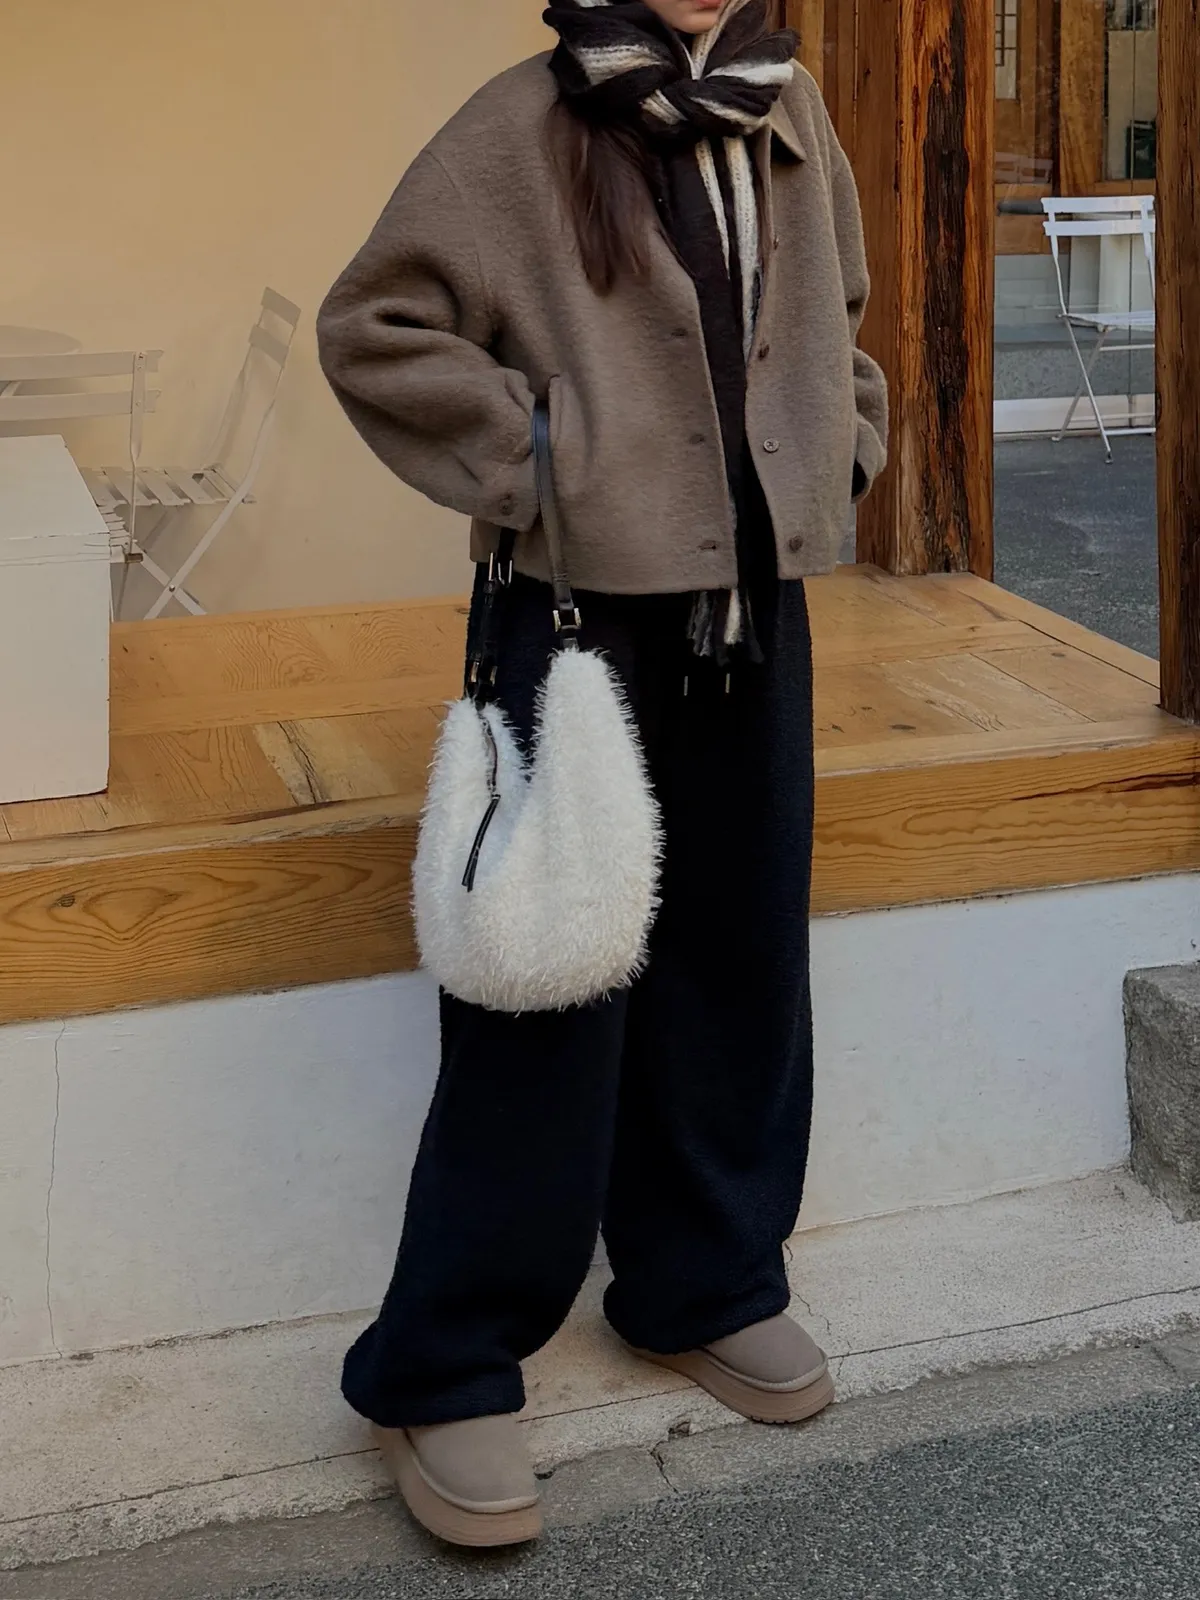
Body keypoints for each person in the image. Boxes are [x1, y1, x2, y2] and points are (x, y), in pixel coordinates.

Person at [317, 0, 887, 1550]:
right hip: (573, 615)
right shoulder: (523, 122)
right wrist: (542, 466)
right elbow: (375, 327)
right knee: (546, 981)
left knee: (740, 953)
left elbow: (838, 312)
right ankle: (447, 1362)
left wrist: (843, 439)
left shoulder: (790, 113)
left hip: (751, 610)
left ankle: (705, 1279)